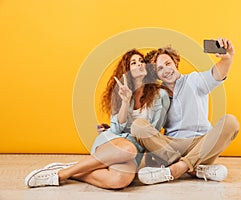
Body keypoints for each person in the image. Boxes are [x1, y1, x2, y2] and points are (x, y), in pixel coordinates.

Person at [24, 49, 170, 189]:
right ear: (127, 71)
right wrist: (126, 101)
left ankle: (72, 170)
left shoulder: (160, 96)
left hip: (135, 150)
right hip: (113, 142)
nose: (139, 64)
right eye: (133, 62)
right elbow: (116, 129)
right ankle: (61, 175)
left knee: (120, 180)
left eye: (141, 61)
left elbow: (154, 132)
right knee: (128, 148)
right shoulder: (121, 93)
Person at [130, 38, 240, 185]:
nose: (166, 70)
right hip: (171, 148)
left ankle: (177, 169)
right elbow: (149, 124)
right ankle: (196, 169)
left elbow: (218, 73)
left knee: (231, 122)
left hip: (201, 145)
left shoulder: (194, 80)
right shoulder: (156, 94)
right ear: (156, 75)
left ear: (175, 63)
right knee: (138, 126)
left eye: (168, 64)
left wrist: (227, 58)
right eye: (159, 69)